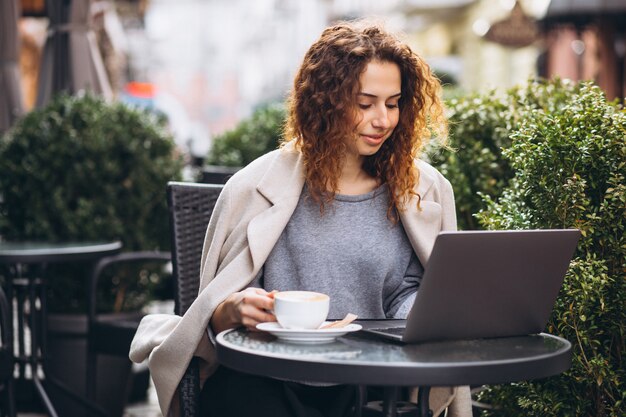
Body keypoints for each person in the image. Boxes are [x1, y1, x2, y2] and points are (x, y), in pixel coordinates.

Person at [130, 20, 471, 417]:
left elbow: (410, 293)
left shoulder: (422, 190)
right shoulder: (256, 185)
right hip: (264, 379)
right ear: (326, 102)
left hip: (368, 381)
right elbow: (213, 315)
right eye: (365, 104)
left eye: (392, 103)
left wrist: (421, 310)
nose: (383, 120)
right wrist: (233, 310)